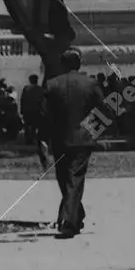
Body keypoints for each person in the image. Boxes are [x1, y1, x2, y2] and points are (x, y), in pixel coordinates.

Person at [42, 49, 105, 239]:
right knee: (73, 179)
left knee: (65, 178)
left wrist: (43, 139)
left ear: (63, 63)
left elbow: (44, 115)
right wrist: (93, 131)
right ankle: (76, 215)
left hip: (59, 139)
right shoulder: (91, 84)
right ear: (79, 63)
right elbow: (104, 109)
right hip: (83, 139)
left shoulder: (52, 84)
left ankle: (69, 222)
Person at [19, 73, 49, 169]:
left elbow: (22, 100)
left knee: (28, 125)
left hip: (28, 110)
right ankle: (38, 139)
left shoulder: (26, 89)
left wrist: (22, 110)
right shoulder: (40, 90)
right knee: (37, 125)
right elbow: (43, 101)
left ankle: (29, 139)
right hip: (37, 111)